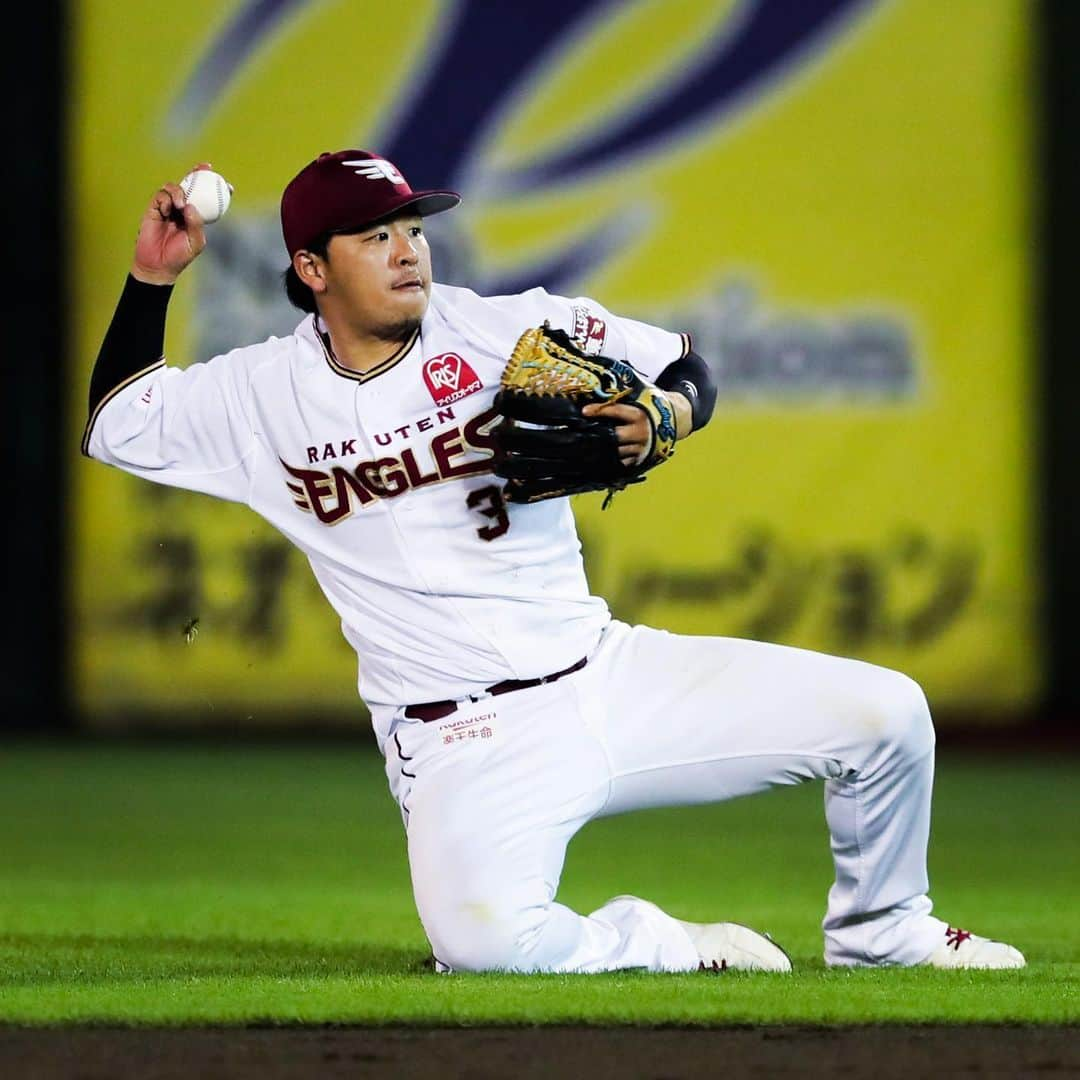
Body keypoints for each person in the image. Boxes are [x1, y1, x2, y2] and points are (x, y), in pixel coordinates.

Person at [83, 150, 1025, 974]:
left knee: (889, 716)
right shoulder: (260, 395)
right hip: (462, 738)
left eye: (413, 225)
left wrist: (671, 413)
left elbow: (686, 363)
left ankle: (883, 928)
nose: (408, 248)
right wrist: (149, 280)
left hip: (605, 672)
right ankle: (659, 943)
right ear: (310, 267)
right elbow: (114, 421)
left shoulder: (504, 329)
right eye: (374, 235)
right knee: (487, 947)